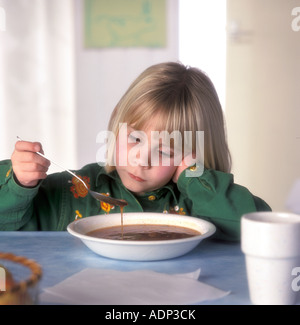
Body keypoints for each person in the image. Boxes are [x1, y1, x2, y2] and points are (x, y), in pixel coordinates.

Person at [0, 62, 271, 240]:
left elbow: (262, 230)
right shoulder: (75, 193)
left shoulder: (198, 203)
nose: (141, 161)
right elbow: (9, 226)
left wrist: (196, 179)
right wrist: (19, 184)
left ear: (196, 155)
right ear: (117, 125)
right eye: (135, 139)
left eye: (165, 151)